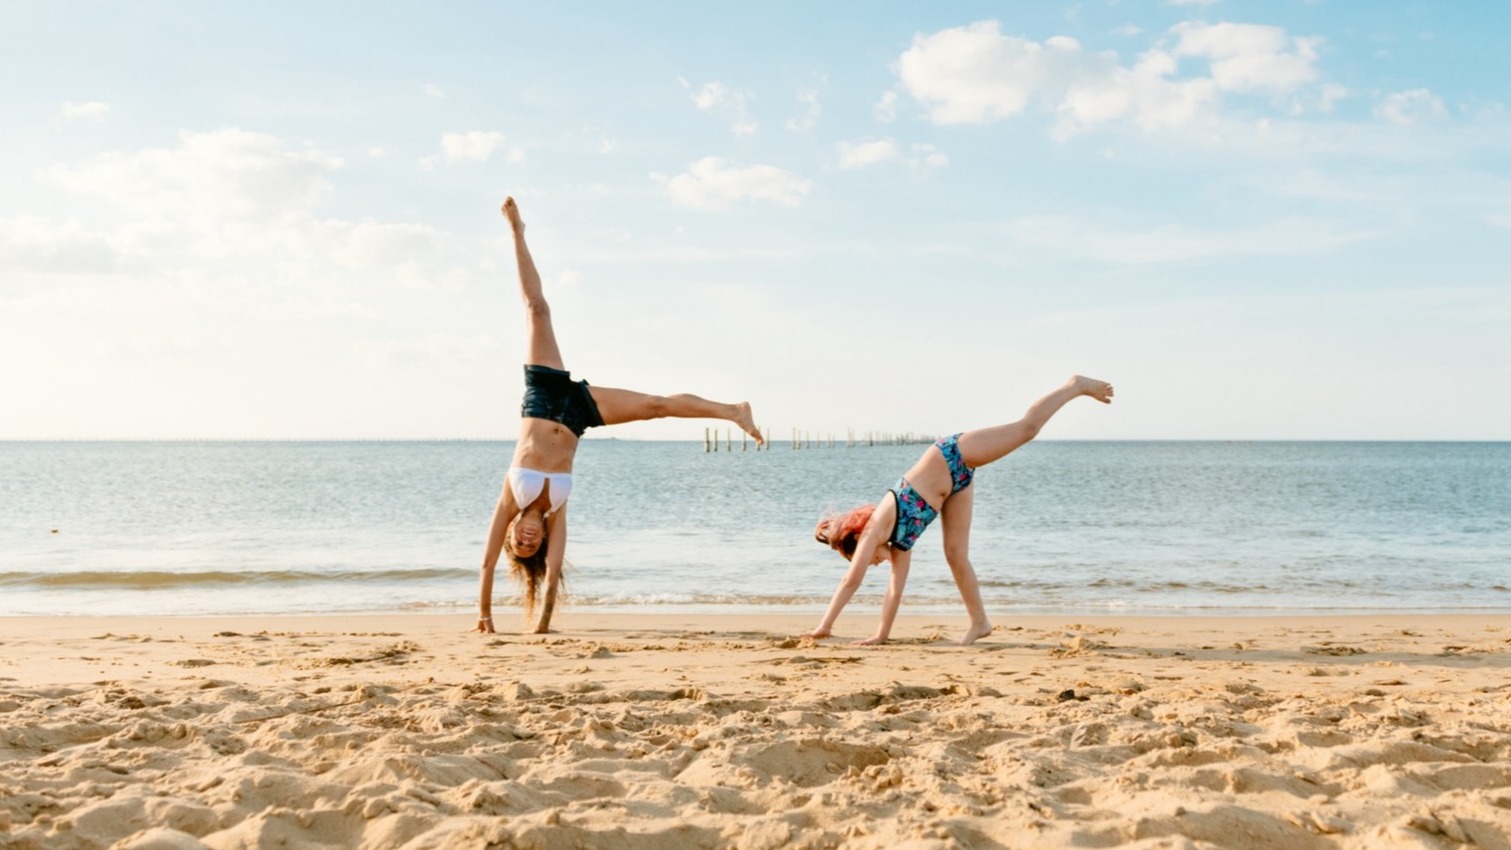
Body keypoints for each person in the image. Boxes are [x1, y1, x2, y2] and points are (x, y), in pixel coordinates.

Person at [477, 197, 763, 634]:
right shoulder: (556, 511)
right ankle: (730, 410)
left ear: (512, 533)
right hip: (576, 416)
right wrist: (541, 625)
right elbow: (552, 576)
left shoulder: (509, 501)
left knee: (538, 310)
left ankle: (517, 232)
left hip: (543, 396)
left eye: (517, 542)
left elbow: (484, 563)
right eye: (529, 547)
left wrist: (484, 616)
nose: (525, 541)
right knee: (655, 408)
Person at [807, 376, 1114, 646]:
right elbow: (894, 590)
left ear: (859, 540)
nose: (871, 564)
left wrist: (825, 626)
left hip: (952, 453)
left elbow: (850, 580)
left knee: (1026, 429)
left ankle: (1074, 386)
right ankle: (980, 623)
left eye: (863, 558)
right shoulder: (901, 543)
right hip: (957, 484)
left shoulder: (875, 527)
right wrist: (881, 635)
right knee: (956, 554)